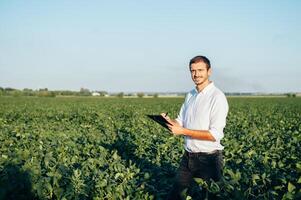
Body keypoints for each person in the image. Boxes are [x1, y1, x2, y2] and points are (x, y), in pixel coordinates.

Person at [162, 55, 229, 200]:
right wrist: (167, 121)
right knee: (176, 196)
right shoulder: (190, 95)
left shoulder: (217, 97)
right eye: (193, 71)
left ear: (209, 71)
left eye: (200, 70)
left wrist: (183, 132)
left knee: (208, 197)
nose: (196, 74)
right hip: (188, 157)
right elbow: (180, 122)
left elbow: (214, 135)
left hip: (209, 159)